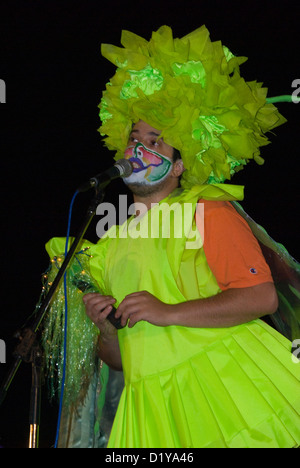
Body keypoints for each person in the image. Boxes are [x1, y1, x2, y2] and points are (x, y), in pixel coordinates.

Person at [43, 26, 300, 448]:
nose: (138, 149)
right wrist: (106, 329)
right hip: (151, 410)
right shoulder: (105, 251)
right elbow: (122, 359)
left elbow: (260, 297)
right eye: (133, 139)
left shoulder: (207, 210)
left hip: (227, 391)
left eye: (155, 140)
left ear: (179, 166)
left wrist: (167, 311)